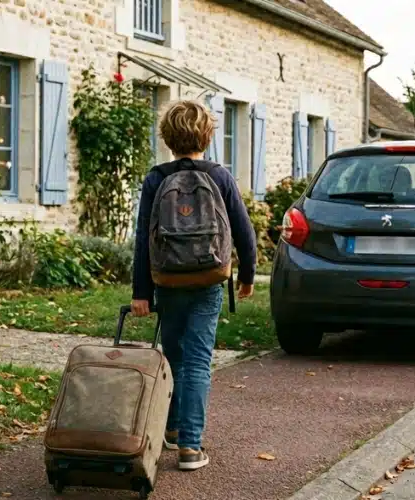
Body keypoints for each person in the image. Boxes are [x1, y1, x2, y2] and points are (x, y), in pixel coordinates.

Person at [131, 100, 258, 471]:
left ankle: (171, 428)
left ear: (168, 138)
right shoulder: (219, 176)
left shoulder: (156, 178)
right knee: (199, 361)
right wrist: (247, 276)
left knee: (174, 357)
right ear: (207, 135)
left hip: (167, 280)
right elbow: (244, 231)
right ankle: (190, 445)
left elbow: (143, 238)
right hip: (208, 280)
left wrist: (141, 292)